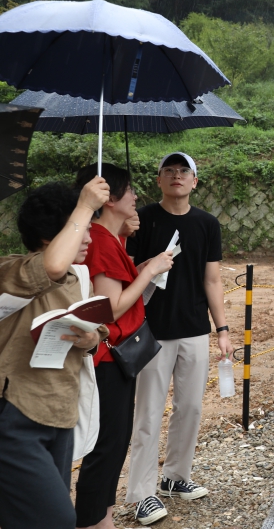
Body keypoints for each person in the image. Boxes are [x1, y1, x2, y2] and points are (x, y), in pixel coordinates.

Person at [125, 153, 231, 526]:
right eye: (168, 171)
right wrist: (148, 260)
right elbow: (126, 277)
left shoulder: (207, 224)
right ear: (158, 180)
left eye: (184, 171)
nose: (176, 176)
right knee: (149, 412)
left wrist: (222, 330)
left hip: (194, 330)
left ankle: (175, 476)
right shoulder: (142, 221)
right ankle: (141, 494)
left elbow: (212, 280)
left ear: (194, 182)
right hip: (150, 330)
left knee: (191, 409)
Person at [0, 179, 109, 529]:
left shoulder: (78, 278)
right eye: (82, 230)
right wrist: (85, 204)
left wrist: (89, 340)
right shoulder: (11, 271)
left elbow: (96, 331)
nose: (89, 238)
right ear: (51, 237)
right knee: (58, 519)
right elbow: (50, 268)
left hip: (61, 414)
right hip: (16, 416)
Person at [74, 165, 175, 529]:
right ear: (111, 198)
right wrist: (149, 272)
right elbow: (110, 306)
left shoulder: (110, 238)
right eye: (130, 190)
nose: (135, 197)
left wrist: (142, 265)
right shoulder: (99, 239)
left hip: (117, 356)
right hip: (106, 357)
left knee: (116, 440)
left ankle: (105, 517)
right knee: (106, 444)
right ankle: (90, 521)